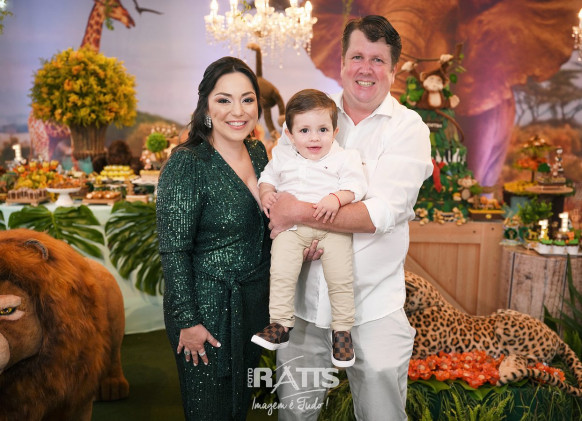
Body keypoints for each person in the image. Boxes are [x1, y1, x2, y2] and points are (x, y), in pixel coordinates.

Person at [269, 16, 433, 420]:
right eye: (357, 56)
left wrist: (299, 212)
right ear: (341, 62)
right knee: (295, 414)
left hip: (373, 305)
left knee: (382, 415)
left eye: (378, 60)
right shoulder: (309, 112)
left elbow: (381, 213)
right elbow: (277, 184)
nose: (366, 68)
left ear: (394, 69)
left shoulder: (408, 129)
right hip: (303, 304)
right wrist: (284, 217)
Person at [156, 56, 271, 421]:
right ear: (206, 106)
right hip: (206, 309)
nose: (238, 111)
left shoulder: (258, 153)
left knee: (239, 408)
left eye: (247, 99)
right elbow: (174, 249)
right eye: (224, 100)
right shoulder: (188, 162)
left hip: (253, 305)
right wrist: (188, 321)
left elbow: (266, 226)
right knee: (209, 411)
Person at [251, 89, 366, 368]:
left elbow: (356, 186)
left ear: (335, 132)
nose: (314, 138)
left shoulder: (344, 157)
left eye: (322, 130)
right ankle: (280, 324)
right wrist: (266, 194)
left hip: (333, 228)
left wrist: (336, 198)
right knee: (281, 272)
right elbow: (267, 178)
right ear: (290, 135)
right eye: (304, 130)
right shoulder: (283, 156)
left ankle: (342, 332)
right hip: (292, 230)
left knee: (340, 278)